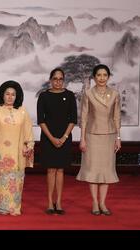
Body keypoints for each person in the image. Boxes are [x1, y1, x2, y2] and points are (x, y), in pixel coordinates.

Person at [77, 64, 121, 216]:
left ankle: (103, 202)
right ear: (94, 77)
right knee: (93, 170)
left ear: (108, 77)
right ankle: (95, 202)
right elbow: (83, 117)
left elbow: (116, 117)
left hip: (109, 136)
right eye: (99, 75)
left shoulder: (115, 94)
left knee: (106, 171)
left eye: (104, 75)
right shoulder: (88, 94)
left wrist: (118, 137)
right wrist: (82, 139)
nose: (102, 78)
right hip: (92, 135)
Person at [0, 80, 34, 216]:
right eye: (7, 94)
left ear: (17, 96)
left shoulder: (22, 111)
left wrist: (29, 145)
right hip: (1, 153)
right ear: (2, 95)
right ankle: (1, 207)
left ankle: (15, 207)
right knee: (3, 179)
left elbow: (28, 130)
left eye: (13, 94)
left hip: (18, 152)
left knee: (16, 180)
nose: (10, 97)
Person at [37, 68, 77, 215]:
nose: (58, 82)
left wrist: (64, 137)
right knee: (50, 170)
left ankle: (58, 202)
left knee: (60, 170)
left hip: (65, 138)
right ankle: (49, 202)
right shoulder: (44, 96)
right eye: (55, 79)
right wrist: (52, 138)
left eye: (61, 79)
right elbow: (41, 120)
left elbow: (73, 119)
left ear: (64, 80)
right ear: (50, 80)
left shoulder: (70, 95)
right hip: (48, 138)